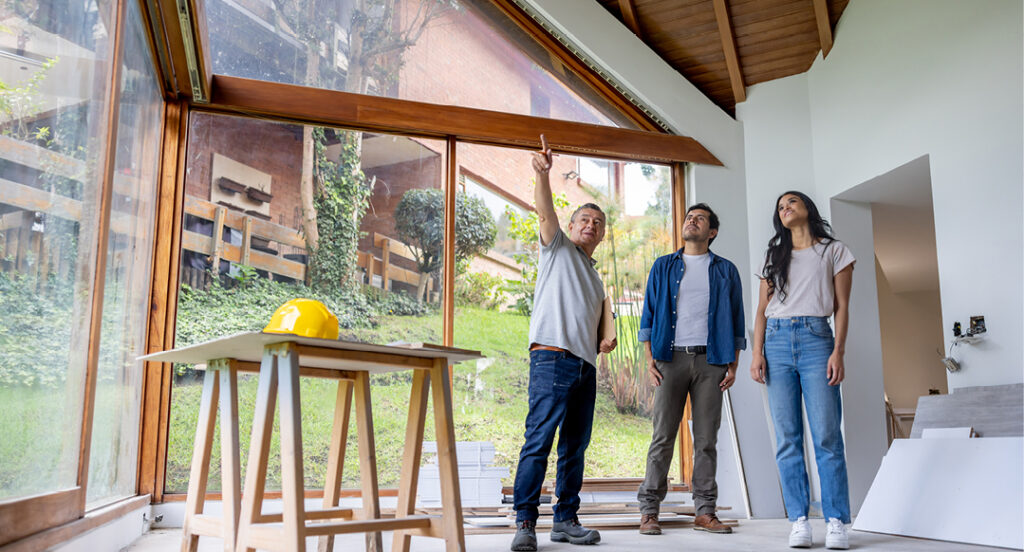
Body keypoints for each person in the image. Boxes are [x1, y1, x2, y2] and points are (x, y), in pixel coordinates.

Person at [510, 135, 617, 551]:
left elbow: (599, 323)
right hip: (552, 358)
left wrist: (605, 339)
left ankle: (566, 520)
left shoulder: (594, 277)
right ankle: (524, 523)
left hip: (584, 366)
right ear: (571, 227)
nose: (590, 225)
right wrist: (543, 174)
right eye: (584, 220)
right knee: (539, 441)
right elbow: (545, 211)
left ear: (601, 236)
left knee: (575, 447)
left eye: (598, 223)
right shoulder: (557, 249)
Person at [750, 191, 855, 550]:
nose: (785, 208)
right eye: (780, 206)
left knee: (826, 436)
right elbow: (762, 310)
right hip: (776, 343)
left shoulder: (834, 251)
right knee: (787, 438)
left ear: (807, 208)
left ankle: (837, 519)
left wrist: (838, 351)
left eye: (791, 202)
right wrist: (756, 353)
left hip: (816, 340)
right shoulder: (774, 256)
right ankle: (799, 520)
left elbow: (842, 307)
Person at [635, 203, 746, 536]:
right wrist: (648, 358)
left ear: (711, 232)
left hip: (711, 361)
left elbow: (737, 317)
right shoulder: (664, 266)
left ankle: (705, 511)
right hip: (670, 358)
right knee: (662, 436)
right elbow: (650, 312)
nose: (692, 221)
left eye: (700, 219)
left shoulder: (726, 270)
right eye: (689, 217)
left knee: (706, 439)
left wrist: (734, 364)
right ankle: (649, 511)